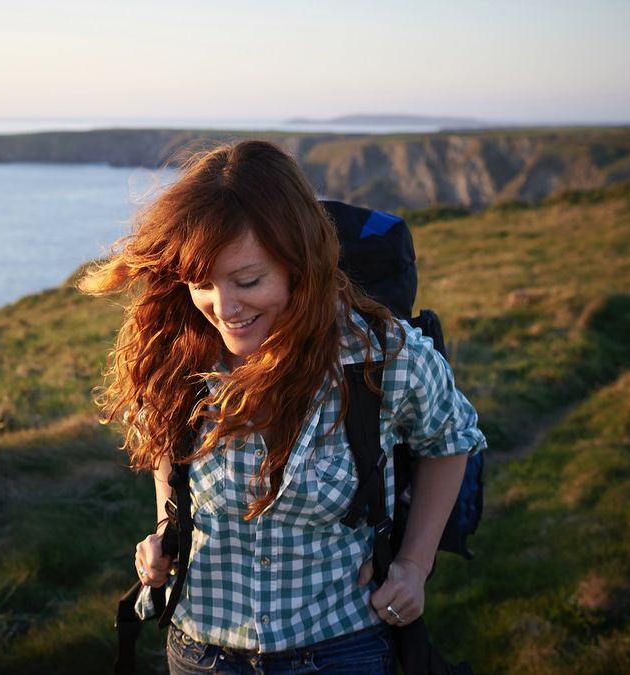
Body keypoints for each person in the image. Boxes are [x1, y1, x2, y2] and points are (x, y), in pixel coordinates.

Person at [80, 140, 486, 674]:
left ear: (301, 265)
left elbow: (450, 439)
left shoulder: (381, 356)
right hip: (200, 653)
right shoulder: (176, 352)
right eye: (202, 282)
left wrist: (413, 564)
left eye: (248, 281)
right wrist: (164, 532)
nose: (223, 309)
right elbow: (166, 449)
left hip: (341, 648)